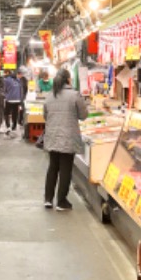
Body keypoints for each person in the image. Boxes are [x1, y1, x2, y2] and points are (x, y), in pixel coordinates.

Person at [43, 68, 88, 211]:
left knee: (53, 167)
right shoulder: (74, 95)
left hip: (52, 136)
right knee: (65, 169)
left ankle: (48, 199)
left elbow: (45, 115)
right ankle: (61, 201)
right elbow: (83, 115)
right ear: (68, 80)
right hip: (68, 138)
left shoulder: (50, 96)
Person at [3, 70, 22, 136]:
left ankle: (8, 127)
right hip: (17, 99)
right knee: (15, 113)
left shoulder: (7, 80)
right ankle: (14, 126)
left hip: (9, 99)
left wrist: (6, 95)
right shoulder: (18, 80)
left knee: (6, 113)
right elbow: (20, 89)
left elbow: (4, 89)